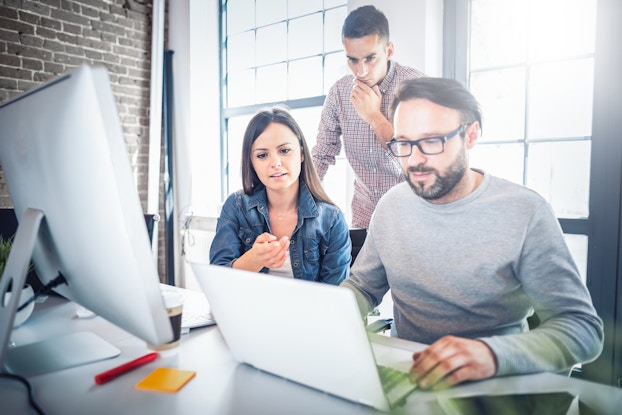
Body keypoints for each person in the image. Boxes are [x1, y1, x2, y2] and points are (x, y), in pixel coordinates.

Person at [341, 77, 604, 389]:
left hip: (497, 386)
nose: (414, 160)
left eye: (431, 141)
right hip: (411, 376)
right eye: (404, 144)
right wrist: (323, 312)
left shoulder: (525, 211)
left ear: (471, 135)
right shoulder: (390, 206)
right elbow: (362, 288)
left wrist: (490, 354)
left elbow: (583, 329)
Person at [312, 5, 425, 229]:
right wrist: (294, 201)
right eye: (353, 60)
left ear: (389, 51)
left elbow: (419, 156)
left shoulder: (417, 87)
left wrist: (374, 116)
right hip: (365, 217)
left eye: (370, 58)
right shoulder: (339, 93)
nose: (361, 71)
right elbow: (321, 155)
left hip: (413, 214)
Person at [210, 107, 351, 285]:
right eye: (262, 155)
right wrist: (254, 259)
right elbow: (217, 280)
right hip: (247, 311)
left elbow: (336, 298)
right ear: (251, 162)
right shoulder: (236, 206)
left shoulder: (332, 220)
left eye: (284, 151)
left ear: (301, 153)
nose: (275, 163)